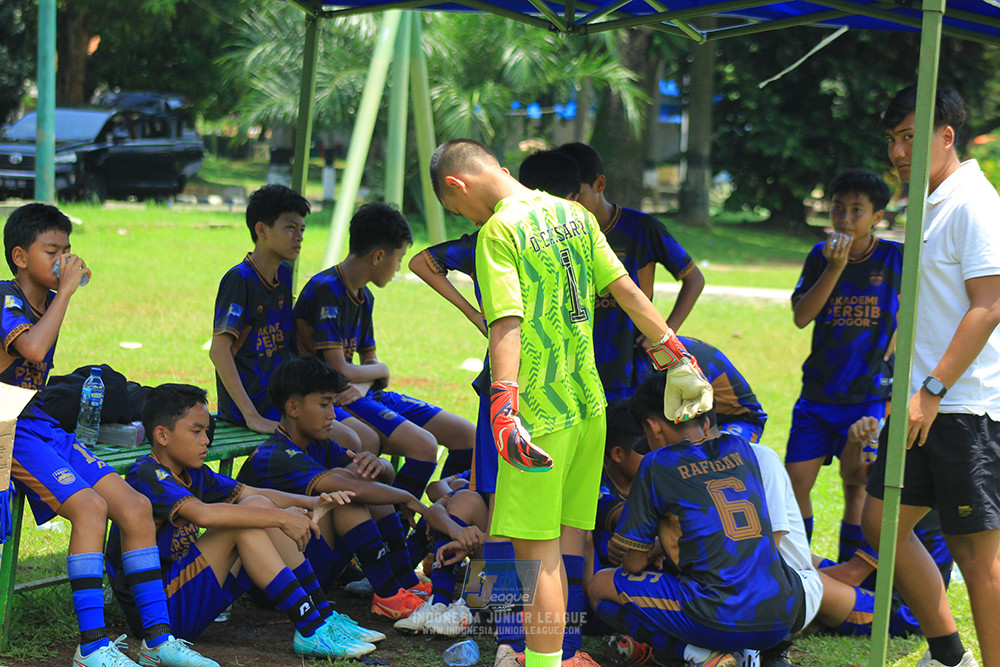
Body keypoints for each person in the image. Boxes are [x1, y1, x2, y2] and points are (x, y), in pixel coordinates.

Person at [428, 138, 712, 667]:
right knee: (562, 542)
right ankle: (547, 650)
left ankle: (536, 657)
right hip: (590, 408)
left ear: (457, 186)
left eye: (454, 209)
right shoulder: (576, 216)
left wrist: (504, 405)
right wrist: (678, 357)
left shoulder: (498, 231)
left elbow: (505, 322)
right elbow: (627, 290)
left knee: (534, 552)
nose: (461, 215)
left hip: (537, 414)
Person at [1, 203, 216, 667]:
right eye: (51, 251)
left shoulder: (43, 298)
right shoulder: (5, 299)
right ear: (20, 257)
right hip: (6, 425)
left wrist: (61, 291)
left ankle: (158, 640)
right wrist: (68, 292)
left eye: (68, 250)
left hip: (37, 420)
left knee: (136, 506)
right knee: (90, 507)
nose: (64, 260)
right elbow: (34, 349)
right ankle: (92, 645)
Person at [863, 84, 1000, 667]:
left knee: (977, 557)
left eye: (911, 138)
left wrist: (933, 389)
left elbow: (989, 305)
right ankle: (949, 654)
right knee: (881, 523)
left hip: (963, 405)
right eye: (893, 140)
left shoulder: (974, 203)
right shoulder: (930, 198)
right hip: (920, 399)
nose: (898, 152)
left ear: (946, 136)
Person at [106, 383, 385, 659]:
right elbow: (204, 514)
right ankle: (310, 627)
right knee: (246, 526)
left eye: (207, 431)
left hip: (182, 594)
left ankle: (322, 617)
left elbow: (254, 493)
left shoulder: (195, 472)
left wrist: (314, 502)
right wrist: (280, 519)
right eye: (196, 432)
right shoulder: (146, 474)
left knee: (257, 506)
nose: (206, 440)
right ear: (162, 436)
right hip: (156, 617)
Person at [589, 371, 806, 667]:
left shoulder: (656, 463)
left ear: (653, 426)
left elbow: (634, 564)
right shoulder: (741, 449)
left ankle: (698, 655)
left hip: (719, 613)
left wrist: (641, 555)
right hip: (784, 613)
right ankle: (765, 656)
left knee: (600, 586)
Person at [235, 355, 478, 620]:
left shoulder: (320, 444)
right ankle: (388, 595)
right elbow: (349, 487)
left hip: (312, 568)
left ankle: (405, 581)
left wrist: (377, 465)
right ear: (293, 408)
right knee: (345, 493)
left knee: (355, 478)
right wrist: (411, 499)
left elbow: (374, 477)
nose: (332, 415)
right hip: (276, 583)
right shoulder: (275, 456)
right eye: (324, 405)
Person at [294, 201, 475, 498]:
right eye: (400, 258)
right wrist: (380, 372)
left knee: (468, 436)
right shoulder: (327, 289)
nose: (398, 268)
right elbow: (340, 371)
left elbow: (370, 364)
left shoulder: (364, 296)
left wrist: (370, 378)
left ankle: (447, 514)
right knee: (425, 447)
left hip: (359, 391)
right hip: (332, 396)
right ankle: (396, 524)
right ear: (379, 256)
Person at [785, 167, 902, 556]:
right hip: (819, 393)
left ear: (877, 217)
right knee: (795, 482)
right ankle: (800, 573)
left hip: (868, 394)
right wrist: (834, 268)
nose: (845, 219)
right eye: (837, 209)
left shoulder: (895, 258)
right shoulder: (821, 256)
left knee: (858, 487)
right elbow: (803, 316)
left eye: (857, 210)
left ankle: (852, 588)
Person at [208, 184, 368, 451]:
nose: (299, 237)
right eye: (290, 228)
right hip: (254, 404)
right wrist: (251, 416)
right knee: (351, 441)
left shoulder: (283, 275)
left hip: (287, 397)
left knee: (367, 437)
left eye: (302, 230)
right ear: (261, 230)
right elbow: (219, 351)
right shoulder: (240, 279)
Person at [556, 142, 705, 403]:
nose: (571, 204)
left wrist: (665, 333)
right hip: (570, 370)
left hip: (628, 368)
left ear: (599, 184)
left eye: (578, 194)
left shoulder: (641, 228)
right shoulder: (555, 231)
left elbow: (694, 279)